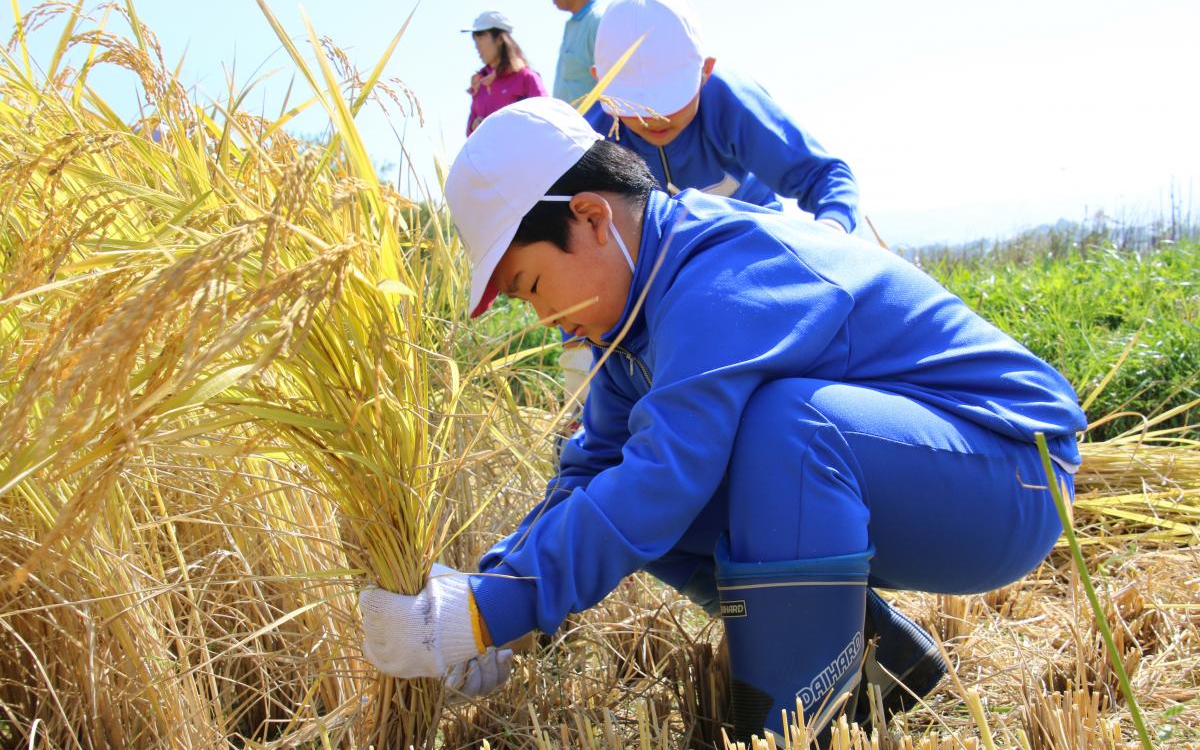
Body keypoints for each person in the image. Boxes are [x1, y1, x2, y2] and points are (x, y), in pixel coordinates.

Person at [357, 98, 1087, 744]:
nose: (547, 321)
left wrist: (493, 612)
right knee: (636, 486)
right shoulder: (639, 313)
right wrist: (493, 588)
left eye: (533, 287)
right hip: (931, 470)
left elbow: (661, 480)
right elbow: (594, 472)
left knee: (783, 430)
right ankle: (874, 662)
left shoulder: (719, 276)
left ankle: (799, 725)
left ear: (589, 216)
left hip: (1010, 472)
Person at [586, 0, 860, 233]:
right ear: (599, 82)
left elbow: (823, 175)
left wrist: (832, 227)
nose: (653, 118)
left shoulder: (728, 102)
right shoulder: (590, 138)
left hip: (755, 246)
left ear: (705, 70)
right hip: (660, 275)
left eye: (669, 98)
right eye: (633, 102)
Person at [464, 11, 548, 136]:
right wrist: (474, 126)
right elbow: (469, 132)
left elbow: (546, 118)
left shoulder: (526, 77)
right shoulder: (480, 83)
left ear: (499, 39)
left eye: (481, 37)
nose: (477, 46)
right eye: (475, 40)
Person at [545, 0, 602, 105]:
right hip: (569, 126)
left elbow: (613, 86)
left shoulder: (597, 22)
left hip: (591, 127)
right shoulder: (574, 25)